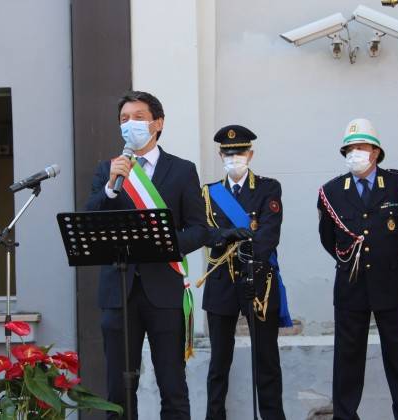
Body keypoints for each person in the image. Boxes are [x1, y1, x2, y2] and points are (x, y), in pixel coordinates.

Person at [85, 91, 238, 419]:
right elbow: (91, 219)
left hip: (165, 290)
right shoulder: (108, 170)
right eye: (124, 119)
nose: (131, 124)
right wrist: (111, 186)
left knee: (173, 386)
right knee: (118, 389)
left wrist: (164, 245)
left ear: (158, 123)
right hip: (119, 292)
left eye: (138, 117)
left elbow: (198, 228)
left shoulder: (181, 170)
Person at [317, 118, 398, 420]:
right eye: (350, 148)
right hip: (351, 285)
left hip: (392, 283)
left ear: (376, 151)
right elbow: (330, 240)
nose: (355, 153)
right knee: (347, 362)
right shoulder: (331, 191)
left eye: (361, 147)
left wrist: (385, 259)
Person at [201, 125, 289, 420]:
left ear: (250, 154)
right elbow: (204, 233)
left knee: (266, 361)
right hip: (221, 281)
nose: (233, 157)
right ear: (220, 154)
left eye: (239, 152)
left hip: (258, 281)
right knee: (218, 364)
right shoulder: (208, 193)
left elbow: (269, 233)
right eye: (228, 153)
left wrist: (240, 243)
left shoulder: (268, 188)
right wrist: (227, 234)